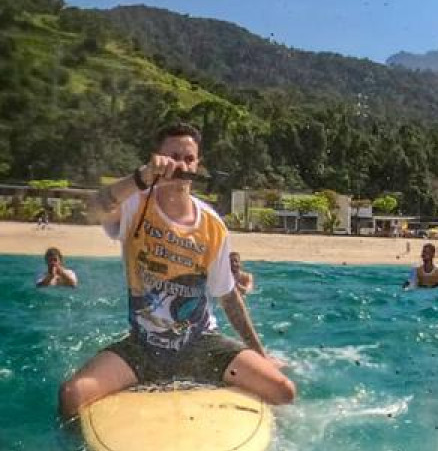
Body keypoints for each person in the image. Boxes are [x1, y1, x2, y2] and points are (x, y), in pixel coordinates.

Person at [56, 123, 296, 419]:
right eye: (173, 157)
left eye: (189, 159)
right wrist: (142, 177)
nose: (181, 165)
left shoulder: (212, 225)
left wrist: (260, 354)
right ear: (156, 158)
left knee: (283, 390)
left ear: (197, 165)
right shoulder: (135, 204)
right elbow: (94, 208)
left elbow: (228, 296)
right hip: (144, 345)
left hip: (201, 343)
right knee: (72, 395)